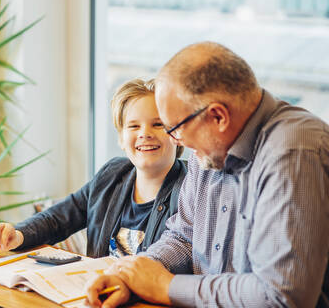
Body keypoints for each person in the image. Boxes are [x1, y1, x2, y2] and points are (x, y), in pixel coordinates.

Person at [86, 42, 329, 308]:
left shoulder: (294, 151)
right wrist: (132, 276)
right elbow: (183, 236)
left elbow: (282, 295)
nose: (176, 140)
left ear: (218, 117)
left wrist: (166, 286)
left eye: (175, 128)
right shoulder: (208, 154)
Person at [0, 78, 187, 258]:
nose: (145, 133)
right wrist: (19, 234)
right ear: (121, 138)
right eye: (134, 126)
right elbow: (58, 218)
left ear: (177, 134)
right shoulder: (112, 174)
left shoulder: (193, 190)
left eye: (158, 124)